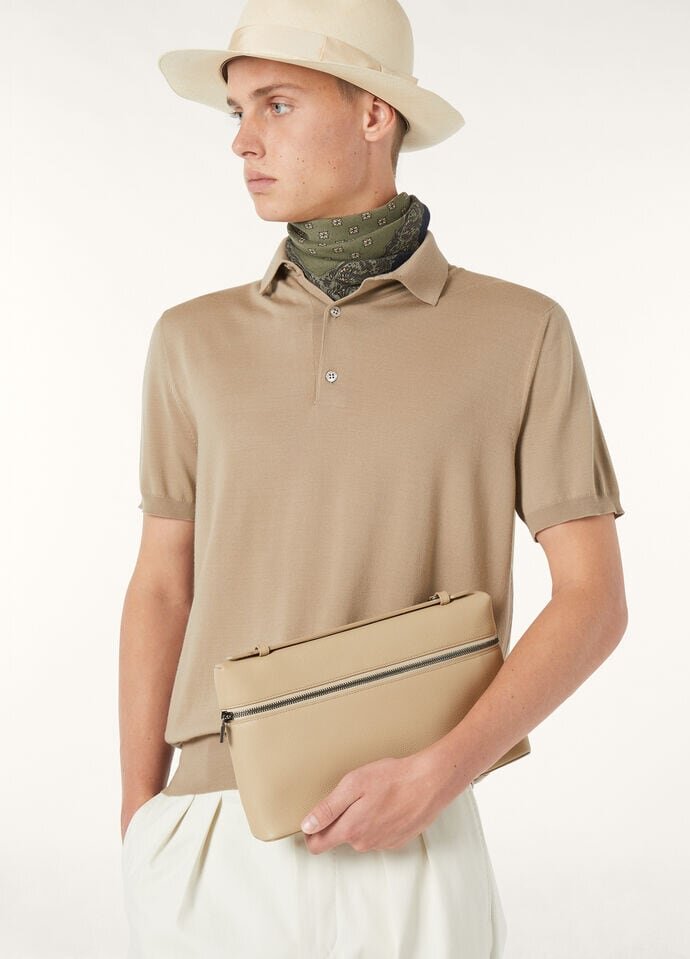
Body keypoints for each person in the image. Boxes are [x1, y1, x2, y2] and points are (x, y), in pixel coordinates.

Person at [118, 1, 628, 956]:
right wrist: (140, 816)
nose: (242, 142)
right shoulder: (191, 340)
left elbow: (593, 599)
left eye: (276, 104)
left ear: (373, 114)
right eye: (236, 111)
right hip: (214, 832)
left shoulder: (521, 332)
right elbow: (161, 585)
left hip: (415, 831)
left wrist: (443, 771)